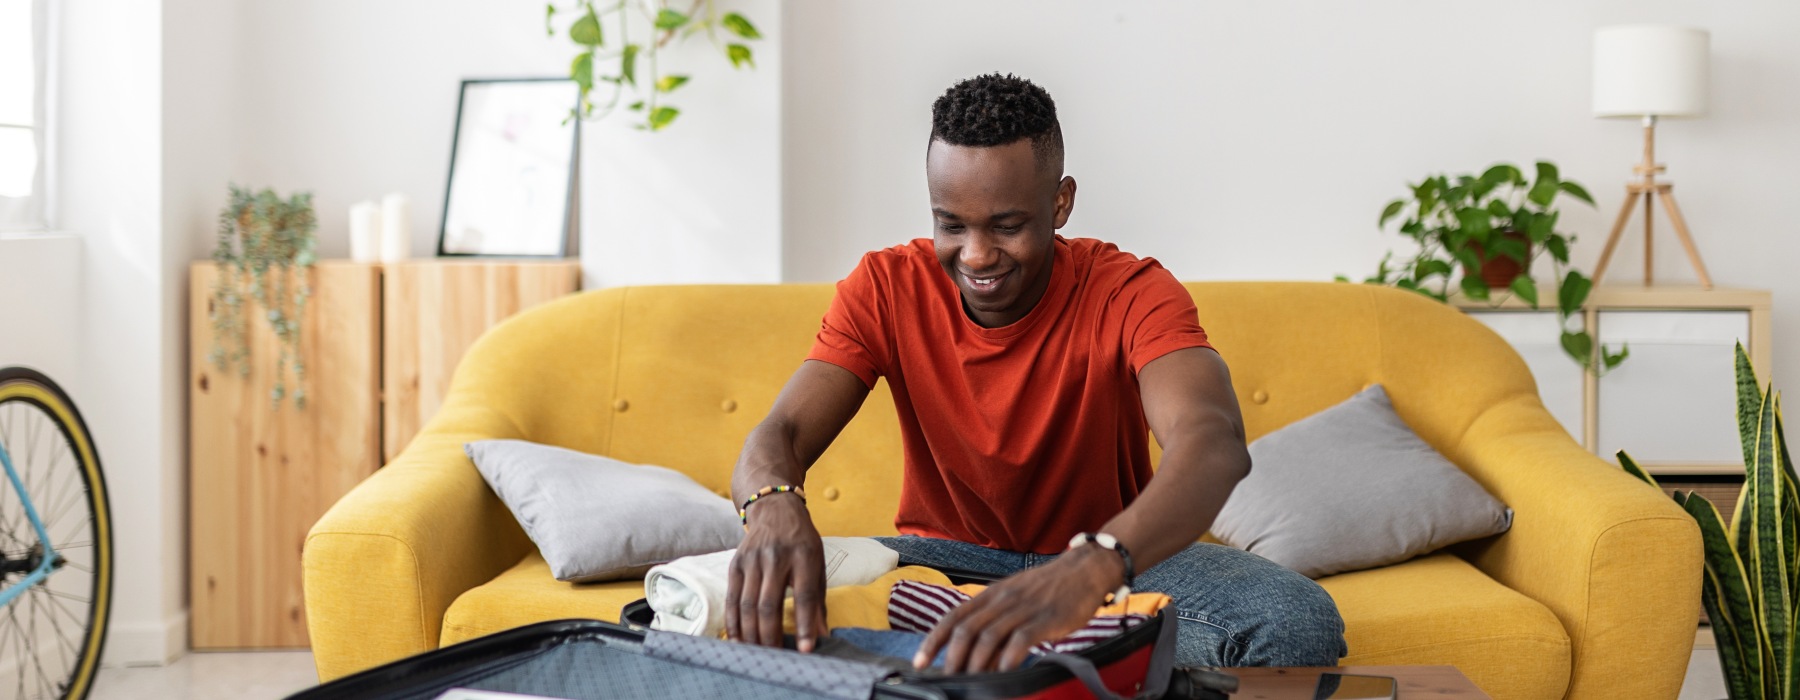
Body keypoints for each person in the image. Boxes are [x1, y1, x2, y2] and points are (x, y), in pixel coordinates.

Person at [725, 73, 1346, 674]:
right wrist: (772, 501)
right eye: (951, 224)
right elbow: (781, 434)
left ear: (1060, 202)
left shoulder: (1131, 291)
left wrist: (1097, 563)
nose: (975, 255)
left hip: (1108, 566)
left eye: (1007, 225)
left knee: (1291, 619)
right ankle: (1067, 657)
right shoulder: (885, 287)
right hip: (947, 567)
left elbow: (1211, 443)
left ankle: (1017, 653)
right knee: (735, 598)